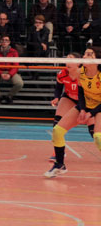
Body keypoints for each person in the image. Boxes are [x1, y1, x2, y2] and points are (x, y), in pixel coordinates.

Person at [45, 47, 101, 178]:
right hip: (86, 105)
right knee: (57, 130)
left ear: (97, 59)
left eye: (89, 54)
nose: (84, 56)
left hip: (99, 108)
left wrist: (91, 113)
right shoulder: (81, 72)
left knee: (98, 137)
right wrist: (82, 109)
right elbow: (81, 93)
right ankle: (60, 165)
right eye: (84, 53)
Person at [48, 53, 81, 162]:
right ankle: (57, 152)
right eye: (67, 59)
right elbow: (58, 88)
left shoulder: (84, 75)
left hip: (84, 100)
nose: (68, 62)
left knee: (93, 131)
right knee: (56, 124)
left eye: (71, 59)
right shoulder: (62, 74)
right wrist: (56, 98)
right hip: (69, 97)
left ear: (79, 63)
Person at [0, 34, 23, 104]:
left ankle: (9, 96)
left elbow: (16, 65)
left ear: (9, 42)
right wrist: (1, 73)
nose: (4, 42)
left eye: (6, 40)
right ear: (0, 41)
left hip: (10, 72)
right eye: (3, 40)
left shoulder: (14, 51)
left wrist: (10, 74)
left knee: (19, 83)